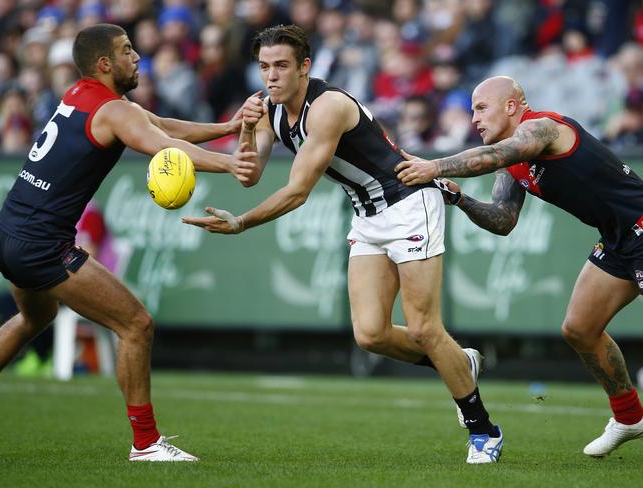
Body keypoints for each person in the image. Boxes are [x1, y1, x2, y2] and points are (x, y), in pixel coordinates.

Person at [182, 24, 503, 464]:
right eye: (264, 67)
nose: (271, 76)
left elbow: (297, 192)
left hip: (409, 202)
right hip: (368, 214)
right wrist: (245, 129)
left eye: (281, 66)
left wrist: (242, 223)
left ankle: (483, 430)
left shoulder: (327, 106)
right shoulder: (268, 108)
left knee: (426, 328)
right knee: (370, 333)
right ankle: (457, 363)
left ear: (304, 68)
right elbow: (249, 172)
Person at [0, 23, 258, 462]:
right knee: (136, 325)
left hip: (7, 233)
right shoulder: (115, 111)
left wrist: (227, 126)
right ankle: (146, 443)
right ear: (104, 64)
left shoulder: (81, 94)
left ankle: (147, 442)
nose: (137, 57)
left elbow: (159, 124)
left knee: (30, 319)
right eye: (127, 51)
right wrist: (232, 165)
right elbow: (163, 147)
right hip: (41, 243)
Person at [395, 75, 643, 458]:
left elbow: (500, 154)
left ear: (511, 106)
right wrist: (459, 199)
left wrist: (436, 167)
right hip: (617, 239)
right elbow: (503, 220)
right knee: (579, 328)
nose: (474, 118)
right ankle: (629, 417)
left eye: (481, 108)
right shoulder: (511, 165)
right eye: (472, 110)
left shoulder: (541, 127)